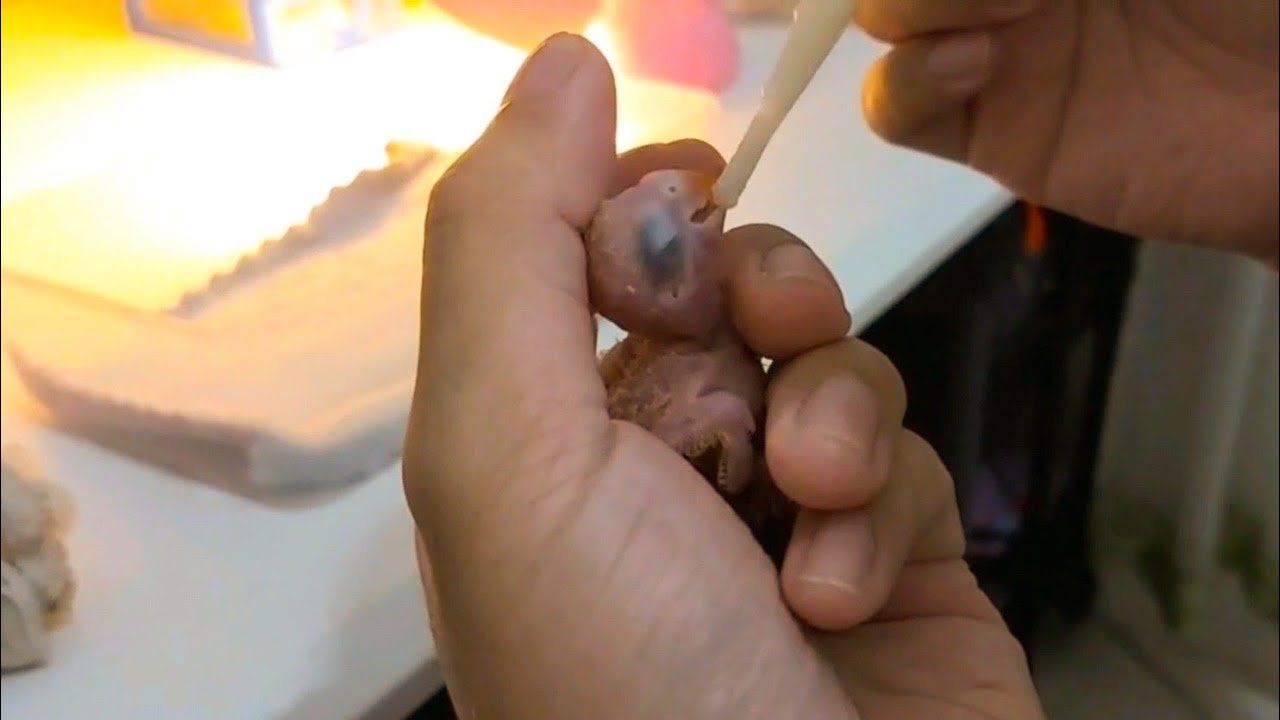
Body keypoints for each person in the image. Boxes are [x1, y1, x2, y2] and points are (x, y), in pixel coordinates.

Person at [401, 2, 1277, 717]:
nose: (685, 196)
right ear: (647, 297)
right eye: (664, 231)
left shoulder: (713, 334)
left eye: (666, 197)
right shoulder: (657, 376)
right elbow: (716, 438)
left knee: (827, 435)